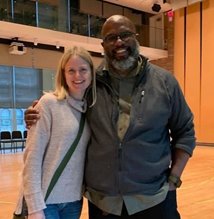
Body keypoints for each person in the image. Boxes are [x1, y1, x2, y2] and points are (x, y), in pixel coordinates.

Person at [24, 15, 196, 219]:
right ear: (103, 45)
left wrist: (174, 178)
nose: (119, 42)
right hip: (103, 202)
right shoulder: (91, 84)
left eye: (125, 35)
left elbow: (185, 132)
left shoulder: (165, 82)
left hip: (154, 198)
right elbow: (64, 103)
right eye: (112, 37)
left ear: (136, 37)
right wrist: (36, 111)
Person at [14, 46, 96, 219]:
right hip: (45, 201)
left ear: (92, 73)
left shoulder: (92, 109)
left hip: (73, 201)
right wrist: (35, 207)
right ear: (63, 74)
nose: (77, 76)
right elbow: (32, 158)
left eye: (83, 70)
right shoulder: (49, 104)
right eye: (71, 70)